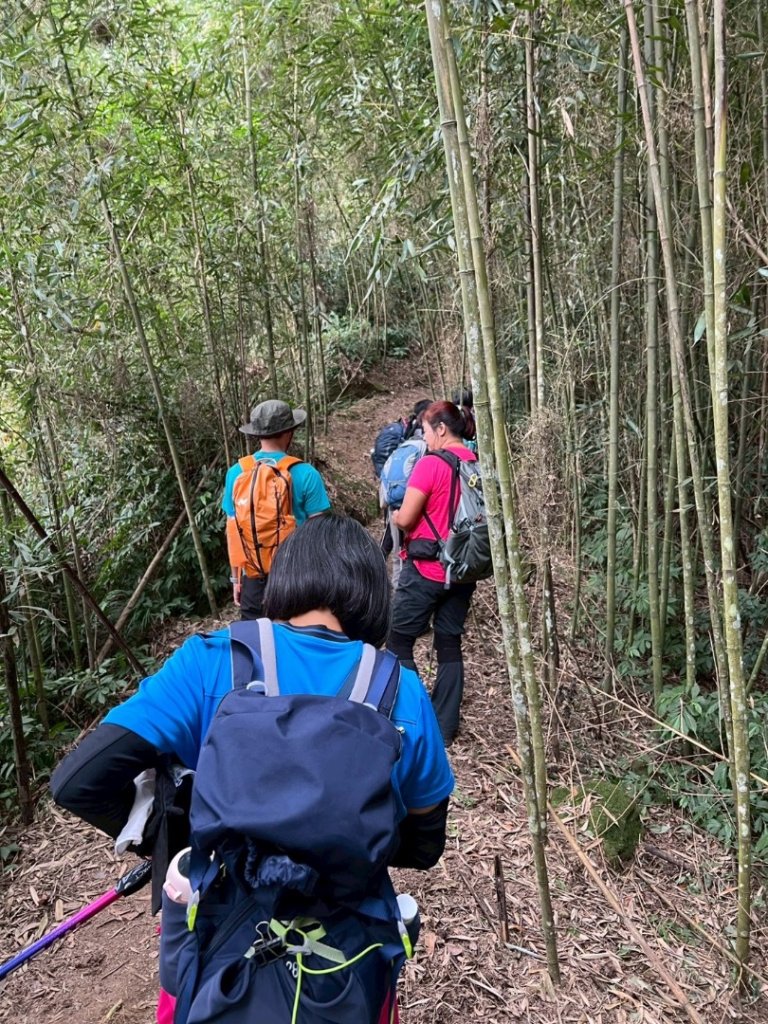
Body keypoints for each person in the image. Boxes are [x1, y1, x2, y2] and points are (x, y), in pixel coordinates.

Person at [50, 513, 452, 1024]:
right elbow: (424, 845)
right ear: (375, 599)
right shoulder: (401, 692)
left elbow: (77, 782)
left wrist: (179, 831)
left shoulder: (210, 662)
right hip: (344, 958)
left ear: (284, 580)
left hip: (218, 941)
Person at [386, 400, 477, 745]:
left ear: (440, 429)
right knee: (449, 640)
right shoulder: (477, 464)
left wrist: (395, 517)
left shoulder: (430, 464)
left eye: (425, 430)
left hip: (426, 569)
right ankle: (446, 724)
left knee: (398, 640)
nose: (424, 437)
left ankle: (413, 718)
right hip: (464, 571)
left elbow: (407, 518)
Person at [222, 399, 330, 619]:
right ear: (289, 432)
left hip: (253, 574)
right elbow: (318, 533)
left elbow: (233, 531)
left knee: (256, 644)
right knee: (294, 642)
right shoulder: (306, 473)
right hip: (296, 576)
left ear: (257, 434)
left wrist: (236, 579)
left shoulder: (236, 473)